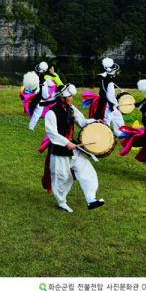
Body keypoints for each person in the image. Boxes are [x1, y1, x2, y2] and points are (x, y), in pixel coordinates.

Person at [41, 84, 105, 212]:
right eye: (69, 96)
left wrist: (94, 122)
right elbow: (52, 133)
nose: (71, 98)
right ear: (62, 98)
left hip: (74, 149)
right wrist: (66, 143)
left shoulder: (71, 109)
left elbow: (82, 122)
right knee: (63, 177)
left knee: (87, 170)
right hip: (59, 150)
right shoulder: (51, 113)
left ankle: (91, 199)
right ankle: (61, 202)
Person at [83, 58, 126, 137]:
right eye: (115, 71)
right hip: (106, 104)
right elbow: (110, 96)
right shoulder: (109, 81)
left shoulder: (104, 78)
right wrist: (116, 105)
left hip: (107, 102)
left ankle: (119, 132)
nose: (116, 73)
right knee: (106, 119)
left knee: (117, 116)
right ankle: (103, 135)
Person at [27, 61, 56, 130]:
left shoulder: (37, 74)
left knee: (36, 112)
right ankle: (31, 127)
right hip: (40, 98)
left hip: (36, 96)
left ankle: (31, 127)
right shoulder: (43, 80)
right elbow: (45, 95)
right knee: (38, 113)